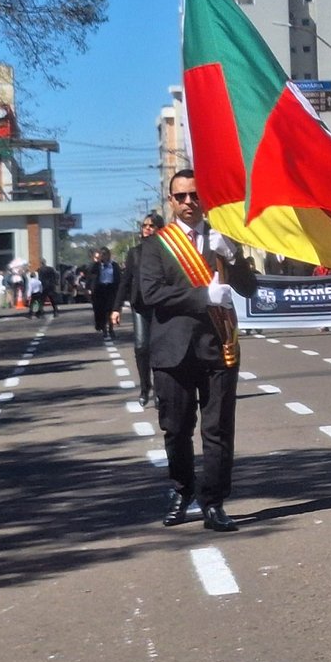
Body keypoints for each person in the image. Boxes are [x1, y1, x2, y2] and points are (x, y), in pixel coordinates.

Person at [140, 168, 256, 532]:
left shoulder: (222, 239)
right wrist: (202, 295)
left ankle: (214, 502)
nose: (189, 202)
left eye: (194, 195)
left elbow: (249, 288)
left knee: (218, 428)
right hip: (172, 350)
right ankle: (181, 489)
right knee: (175, 428)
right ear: (171, 201)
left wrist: (233, 257)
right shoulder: (155, 245)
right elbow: (151, 293)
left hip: (218, 344)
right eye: (181, 196)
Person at [114, 213, 164, 405]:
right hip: (140, 306)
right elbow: (125, 282)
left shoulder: (166, 251)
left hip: (160, 305)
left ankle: (160, 392)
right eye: (144, 225)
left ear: (160, 229)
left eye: (152, 226)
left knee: (159, 349)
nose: (147, 228)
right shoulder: (135, 252)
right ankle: (145, 388)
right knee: (142, 346)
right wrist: (116, 308)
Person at [89, 247, 120, 336]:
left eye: (105, 254)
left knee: (110, 309)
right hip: (100, 289)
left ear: (109, 255)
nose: (103, 256)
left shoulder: (114, 265)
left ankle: (111, 328)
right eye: (102, 254)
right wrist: (97, 262)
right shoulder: (96, 266)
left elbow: (118, 278)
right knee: (101, 310)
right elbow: (90, 273)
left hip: (111, 289)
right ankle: (103, 328)